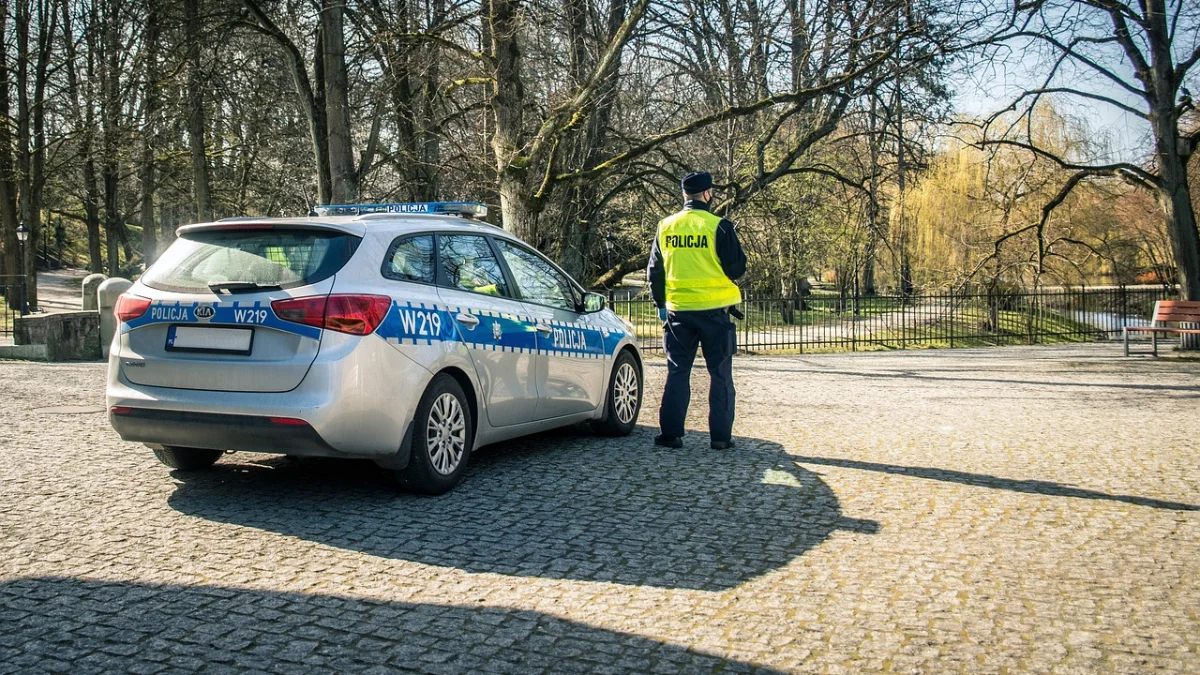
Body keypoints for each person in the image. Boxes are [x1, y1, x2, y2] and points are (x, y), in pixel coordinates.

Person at [646, 171, 746, 450]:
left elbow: (654, 271)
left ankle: (670, 435)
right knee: (720, 374)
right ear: (707, 194)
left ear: (684, 195)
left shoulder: (666, 227)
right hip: (715, 312)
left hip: (679, 312)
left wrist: (661, 305)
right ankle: (721, 438)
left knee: (678, 371)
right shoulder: (720, 226)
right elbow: (737, 268)